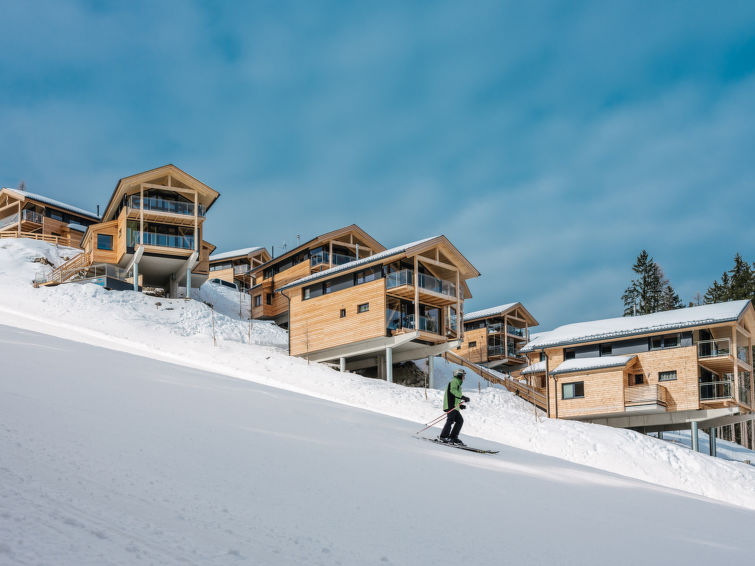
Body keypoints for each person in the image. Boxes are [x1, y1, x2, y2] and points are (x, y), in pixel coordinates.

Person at [439, 369, 470, 445]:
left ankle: (453, 437)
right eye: (463, 375)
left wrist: (460, 405)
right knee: (450, 420)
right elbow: (453, 391)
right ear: (459, 375)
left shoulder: (458, 383)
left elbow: (455, 397)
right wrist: (462, 397)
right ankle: (444, 436)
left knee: (460, 421)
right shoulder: (454, 381)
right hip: (450, 405)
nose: (464, 377)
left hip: (454, 406)